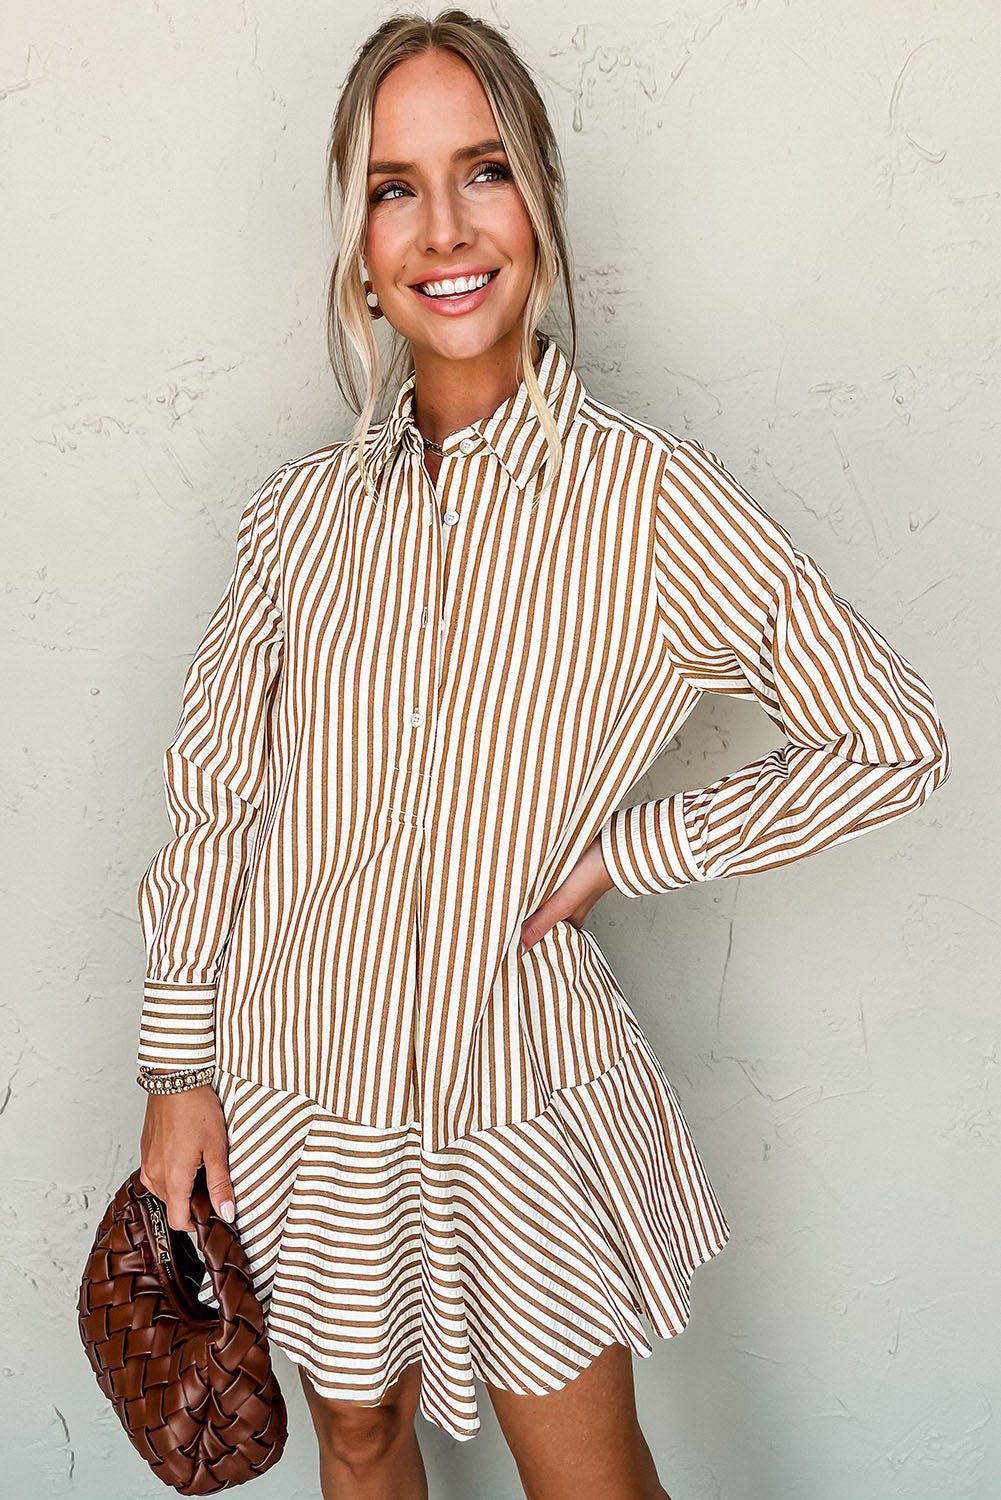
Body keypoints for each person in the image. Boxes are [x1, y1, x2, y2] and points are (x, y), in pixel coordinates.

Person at [136, 11, 951, 1500]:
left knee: (583, 1479)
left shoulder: (650, 504)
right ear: (357, 246)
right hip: (299, 1076)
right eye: (395, 186)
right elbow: (215, 802)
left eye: (484, 171)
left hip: (512, 1088)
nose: (443, 227)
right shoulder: (299, 519)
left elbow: (889, 738)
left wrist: (626, 855)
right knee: (359, 1437)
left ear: (544, 206)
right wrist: (178, 1065)